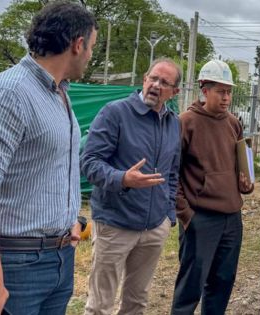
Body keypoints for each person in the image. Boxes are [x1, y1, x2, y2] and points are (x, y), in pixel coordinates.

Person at [0, 2, 97, 314]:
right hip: (14, 267)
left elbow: (49, 167)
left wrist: (67, 218)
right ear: (77, 45)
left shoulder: (59, 94)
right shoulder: (8, 93)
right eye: (91, 47)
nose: (90, 56)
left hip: (57, 260)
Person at [81, 58, 182, 315]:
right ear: (144, 79)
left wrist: (168, 215)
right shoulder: (115, 113)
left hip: (153, 227)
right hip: (115, 224)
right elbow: (89, 163)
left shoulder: (173, 123)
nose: (156, 85)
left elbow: (172, 172)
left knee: (137, 302)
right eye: (153, 78)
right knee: (100, 305)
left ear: (175, 92)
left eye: (164, 82)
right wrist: (122, 179)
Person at [171, 60, 254, 315]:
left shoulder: (233, 123)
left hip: (231, 217)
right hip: (201, 218)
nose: (227, 97)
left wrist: (247, 184)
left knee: (222, 283)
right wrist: (186, 215)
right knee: (190, 286)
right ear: (204, 89)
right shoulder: (186, 122)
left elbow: (245, 165)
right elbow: (171, 173)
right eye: (221, 91)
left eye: (229, 91)